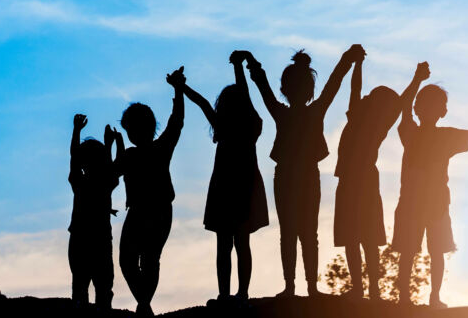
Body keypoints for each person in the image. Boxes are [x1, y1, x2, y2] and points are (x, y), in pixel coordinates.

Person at [247, 45, 365, 297]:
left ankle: (295, 287)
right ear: (308, 89)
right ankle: (305, 287)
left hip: (291, 176)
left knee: (291, 233)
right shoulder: (314, 110)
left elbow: (262, 86)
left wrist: (252, 62)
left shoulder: (283, 112)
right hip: (304, 176)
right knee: (306, 233)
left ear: (285, 89)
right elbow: (334, 82)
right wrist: (347, 59)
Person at [393, 62, 468, 308]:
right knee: (408, 252)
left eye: (433, 106)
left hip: (436, 205)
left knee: (435, 252)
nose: (427, 109)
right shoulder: (410, 132)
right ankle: (404, 298)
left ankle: (434, 297)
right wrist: (416, 80)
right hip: (413, 204)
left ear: (442, 111)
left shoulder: (444, 136)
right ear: (418, 108)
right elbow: (403, 107)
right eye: (423, 105)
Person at [177, 51, 268, 305]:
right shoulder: (251, 126)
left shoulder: (226, 125)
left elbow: (204, 102)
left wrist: (181, 87)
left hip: (225, 188)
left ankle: (226, 294)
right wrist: (238, 66)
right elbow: (236, 96)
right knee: (242, 243)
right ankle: (240, 294)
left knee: (224, 245)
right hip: (244, 187)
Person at [115, 67, 185, 316]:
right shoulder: (132, 155)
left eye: (132, 129)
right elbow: (112, 173)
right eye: (128, 131)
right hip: (140, 212)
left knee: (149, 258)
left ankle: (144, 303)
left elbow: (176, 123)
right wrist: (116, 145)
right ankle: (144, 301)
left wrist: (178, 91)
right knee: (129, 259)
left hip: (158, 210)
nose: (131, 134)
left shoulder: (159, 148)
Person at [332, 51, 401, 300]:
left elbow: (358, 89)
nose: (364, 95)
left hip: (359, 182)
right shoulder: (360, 116)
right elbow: (355, 87)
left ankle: (370, 289)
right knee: (357, 238)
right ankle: (363, 289)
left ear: (376, 106)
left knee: (364, 238)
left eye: (370, 96)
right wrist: (358, 64)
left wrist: (359, 64)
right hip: (354, 181)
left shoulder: (375, 125)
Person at [68, 114, 120, 311]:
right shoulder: (106, 183)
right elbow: (108, 167)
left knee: (80, 287)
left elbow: (74, 157)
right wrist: (109, 145)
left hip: (80, 237)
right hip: (101, 240)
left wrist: (76, 130)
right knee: (104, 288)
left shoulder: (79, 182)